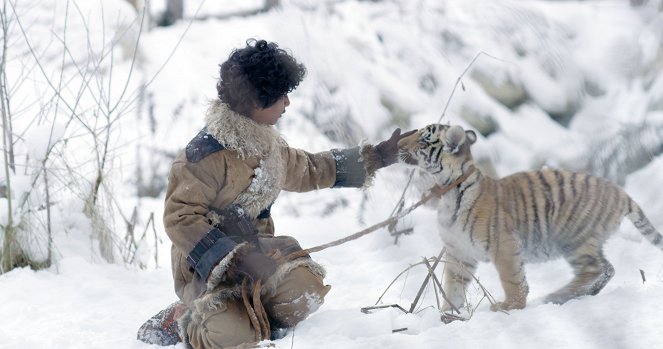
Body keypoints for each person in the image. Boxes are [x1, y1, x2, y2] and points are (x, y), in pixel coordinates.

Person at [137, 38, 413, 349]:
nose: (288, 104)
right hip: (208, 274)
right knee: (230, 337)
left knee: (306, 291)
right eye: (282, 96)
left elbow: (310, 168)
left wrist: (377, 157)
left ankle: (253, 316)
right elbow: (181, 218)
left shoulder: (270, 147)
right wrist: (233, 259)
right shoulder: (201, 157)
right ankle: (186, 320)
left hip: (263, 259)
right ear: (257, 102)